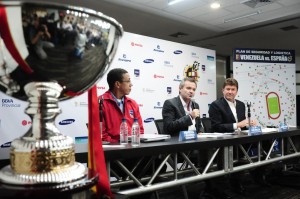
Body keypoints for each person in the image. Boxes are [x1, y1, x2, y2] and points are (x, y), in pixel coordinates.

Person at [209, 78, 268, 197]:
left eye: (233, 89)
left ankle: (258, 173)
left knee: (266, 142)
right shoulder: (216, 105)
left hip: (241, 138)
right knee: (236, 153)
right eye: (227, 89)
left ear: (236, 91)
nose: (230, 92)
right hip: (225, 140)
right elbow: (216, 127)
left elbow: (243, 125)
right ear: (222, 90)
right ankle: (232, 182)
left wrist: (250, 124)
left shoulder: (241, 104)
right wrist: (237, 125)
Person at [98, 68, 144, 143]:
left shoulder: (132, 103)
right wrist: (120, 144)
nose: (131, 84)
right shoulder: (100, 102)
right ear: (117, 84)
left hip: (133, 148)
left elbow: (140, 130)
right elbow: (101, 135)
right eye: (128, 81)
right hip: (112, 149)